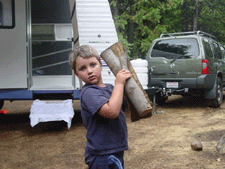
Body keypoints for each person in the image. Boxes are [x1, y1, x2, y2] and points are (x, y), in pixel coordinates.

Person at [69, 45, 132, 169]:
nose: (89, 71)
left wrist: (129, 87)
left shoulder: (110, 89)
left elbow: (125, 109)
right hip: (101, 156)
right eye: (83, 68)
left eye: (93, 65)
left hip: (116, 150)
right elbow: (112, 112)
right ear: (77, 74)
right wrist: (119, 83)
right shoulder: (88, 92)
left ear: (101, 65)